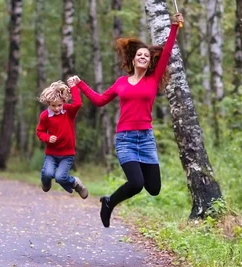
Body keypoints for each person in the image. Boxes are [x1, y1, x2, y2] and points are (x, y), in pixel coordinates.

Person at [72, 13, 183, 227]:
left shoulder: (153, 79)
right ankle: (109, 203)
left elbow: (167, 52)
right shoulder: (121, 83)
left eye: (146, 56)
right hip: (126, 140)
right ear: (133, 59)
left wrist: (174, 27)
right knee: (136, 183)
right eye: (139, 55)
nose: (143, 57)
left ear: (150, 62)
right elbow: (99, 100)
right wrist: (80, 85)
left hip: (146, 139)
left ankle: (108, 201)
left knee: (154, 188)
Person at [36, 79, 88, 199]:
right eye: (53, 106)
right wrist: (48, 138)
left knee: (60, 177)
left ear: (64, 102)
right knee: (47, 173)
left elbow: (78, 104)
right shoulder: (45, 116)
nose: (57, 108)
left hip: (67, 154)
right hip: (51, 154)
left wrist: (74, 87)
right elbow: (40, 132)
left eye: (59, 105)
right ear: (48, 103)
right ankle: (46, 182)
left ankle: (76, 183)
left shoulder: (68, 112)